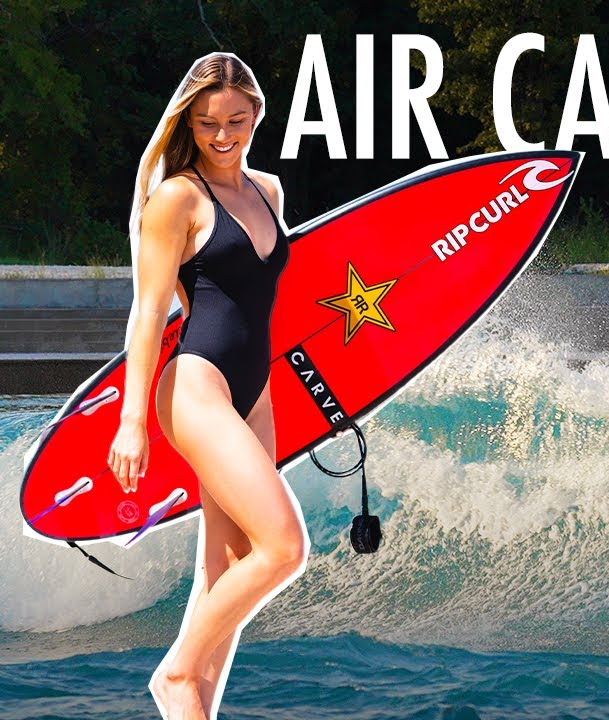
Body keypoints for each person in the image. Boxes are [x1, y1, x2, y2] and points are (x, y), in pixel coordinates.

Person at [107, 53, 306, 720]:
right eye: (207, 123)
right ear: (188, 123)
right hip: (197, 385)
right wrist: (132, 420)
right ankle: (176, 674)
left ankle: (192, 708)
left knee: (226, 569)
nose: (223, 135)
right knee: (283, 548)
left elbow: (266, 298)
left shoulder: (269, 191)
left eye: (236, 121)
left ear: (256, 115)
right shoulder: (177, 198)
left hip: (255, 390)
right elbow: (148, 311)